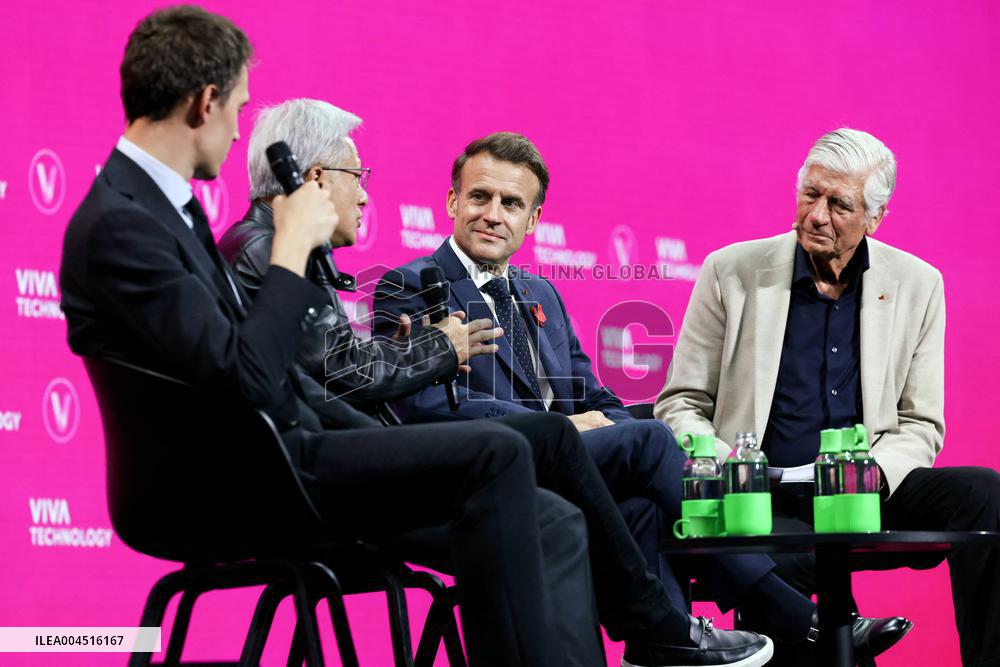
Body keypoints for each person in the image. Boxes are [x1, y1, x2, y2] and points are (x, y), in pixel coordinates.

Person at [59, 8, 773, 665]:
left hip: (294, 444)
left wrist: (369, 423)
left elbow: (288, 380)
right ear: (204, 102)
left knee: (550, 502)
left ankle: (659, 626)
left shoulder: (160, 210)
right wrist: (292, 254)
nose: (242, 129)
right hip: (243, 480)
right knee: (509, 449)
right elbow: (251, 375)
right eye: (240, 109)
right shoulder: (131, 223)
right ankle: (664, 623)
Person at [371, 131, 909, 659]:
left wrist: (601, 422)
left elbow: (592, 395)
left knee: (641, 502)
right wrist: (561, 429)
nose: (493, 214)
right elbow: (426, 408)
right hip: (481, 473)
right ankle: (788, 609)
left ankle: (662, 646)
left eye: (512, 204)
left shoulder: (541, 295)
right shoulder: (411, 284)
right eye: (480, 197)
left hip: (557, 470)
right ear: (451, 201)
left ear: (532, 220)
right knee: (651, 441)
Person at [656, 127, 1000, 666]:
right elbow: (680, 404)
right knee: (785, 559)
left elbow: (921, 423)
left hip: (870, 490)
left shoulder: (917, 284)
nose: (816, 216)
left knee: (985, 495)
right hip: (762, 497)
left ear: (875, 217)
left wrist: (872, 475)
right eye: (810, 195)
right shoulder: (731, 272)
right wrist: (732, 467)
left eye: (839, 204)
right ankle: (833, 636)